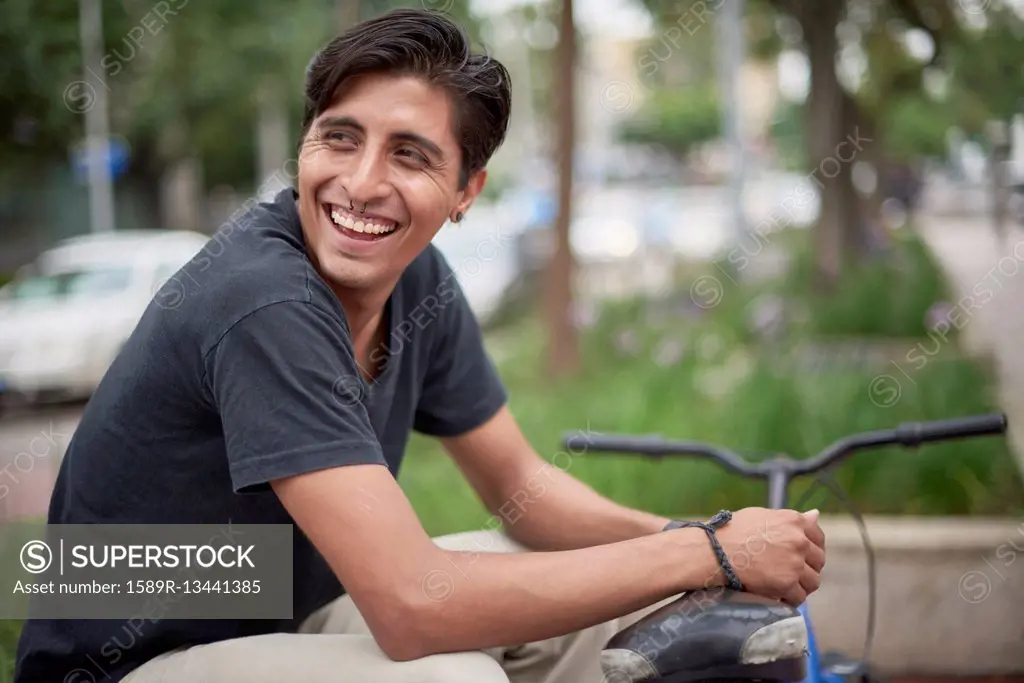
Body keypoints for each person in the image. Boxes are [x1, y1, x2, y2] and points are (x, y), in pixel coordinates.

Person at [14, 9, 825, 683]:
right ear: (303, 146)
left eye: (410, 154)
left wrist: (697, 538)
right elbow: (408, 605)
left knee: (606, 589)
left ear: (467, 190)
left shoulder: (418, 280)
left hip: (277, 610)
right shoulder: (260, 297)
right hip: (127, 658)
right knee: (448, 673)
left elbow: (522, 488)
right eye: (339, 138)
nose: (362, 182)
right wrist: (709, 551)